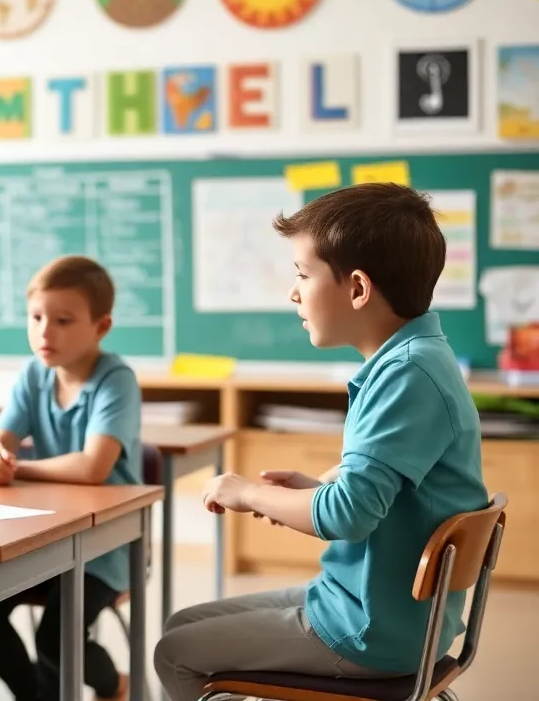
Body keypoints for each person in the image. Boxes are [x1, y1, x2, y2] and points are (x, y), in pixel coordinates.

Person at [155, 183, 489, 701]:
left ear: (357, 288)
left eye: (302, 275)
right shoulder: (418, 359)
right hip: (379, 608)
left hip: (370, 629)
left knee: (173, 652)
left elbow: (346, 516)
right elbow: (375, 502)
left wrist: (245, 492)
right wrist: (310, 492)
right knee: (183, 622)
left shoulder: (407, 374)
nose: (293, 293)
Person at [0, 255, 141, 701]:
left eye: (63, 320)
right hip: (46, 540)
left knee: (56, 637)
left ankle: (113, 685)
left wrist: (19, 467)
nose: (45, 332)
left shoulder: (116, 379)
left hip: (107, 547)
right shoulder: (33, 374)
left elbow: (93, 467)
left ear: (101, 327)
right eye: (36, 317)